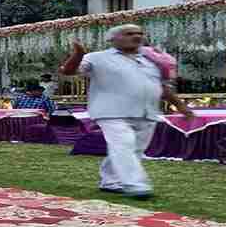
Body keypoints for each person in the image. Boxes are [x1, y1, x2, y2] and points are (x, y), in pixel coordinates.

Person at [60, 23, 193, 199]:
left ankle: (110, 182)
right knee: (123, 144)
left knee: (134, 149)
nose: (136, 36)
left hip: (146, 112)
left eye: (139, 33)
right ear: (113, 39)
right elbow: (68, 72)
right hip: (111, 111)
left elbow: (160, 87)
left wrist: (180, 105)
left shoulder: (150, 60)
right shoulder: (97, 57)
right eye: (129, 33)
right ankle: (137, 185)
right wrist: (78, 55)